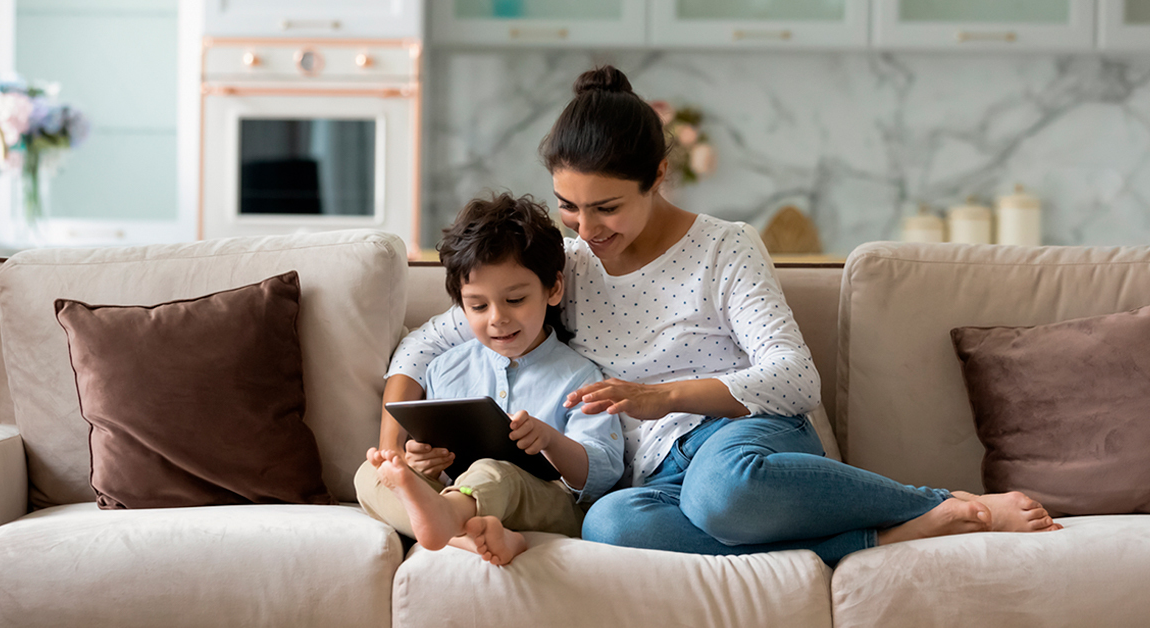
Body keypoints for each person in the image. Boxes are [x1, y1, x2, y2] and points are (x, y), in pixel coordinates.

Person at [382, 65, 1061, 567]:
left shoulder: (725, 246)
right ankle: (881, 538)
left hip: (741, 441)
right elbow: (422, 347)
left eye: (607, 207)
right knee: (610, 529)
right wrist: (395, 443)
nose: (586, 228)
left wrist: (663, 397)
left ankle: (933, 498)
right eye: (569, 205)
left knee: (722, 494)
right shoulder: (560, 266)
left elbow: (795, 379)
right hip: (652, 479)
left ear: (659, 174)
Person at [355, 192, 623, 566]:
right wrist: (421, 462)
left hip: (546, 503)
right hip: (459, 494)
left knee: (495, 472)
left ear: (553, 289)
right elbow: (433, 455)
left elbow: (603, 472)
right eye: (478, 306)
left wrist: (550, 440)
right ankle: (470, 536)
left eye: (515, 300)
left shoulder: (580, 375)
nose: (497, 318)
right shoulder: (445, 368)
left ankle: (449, 524)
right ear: (462, 305)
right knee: (371, 474)